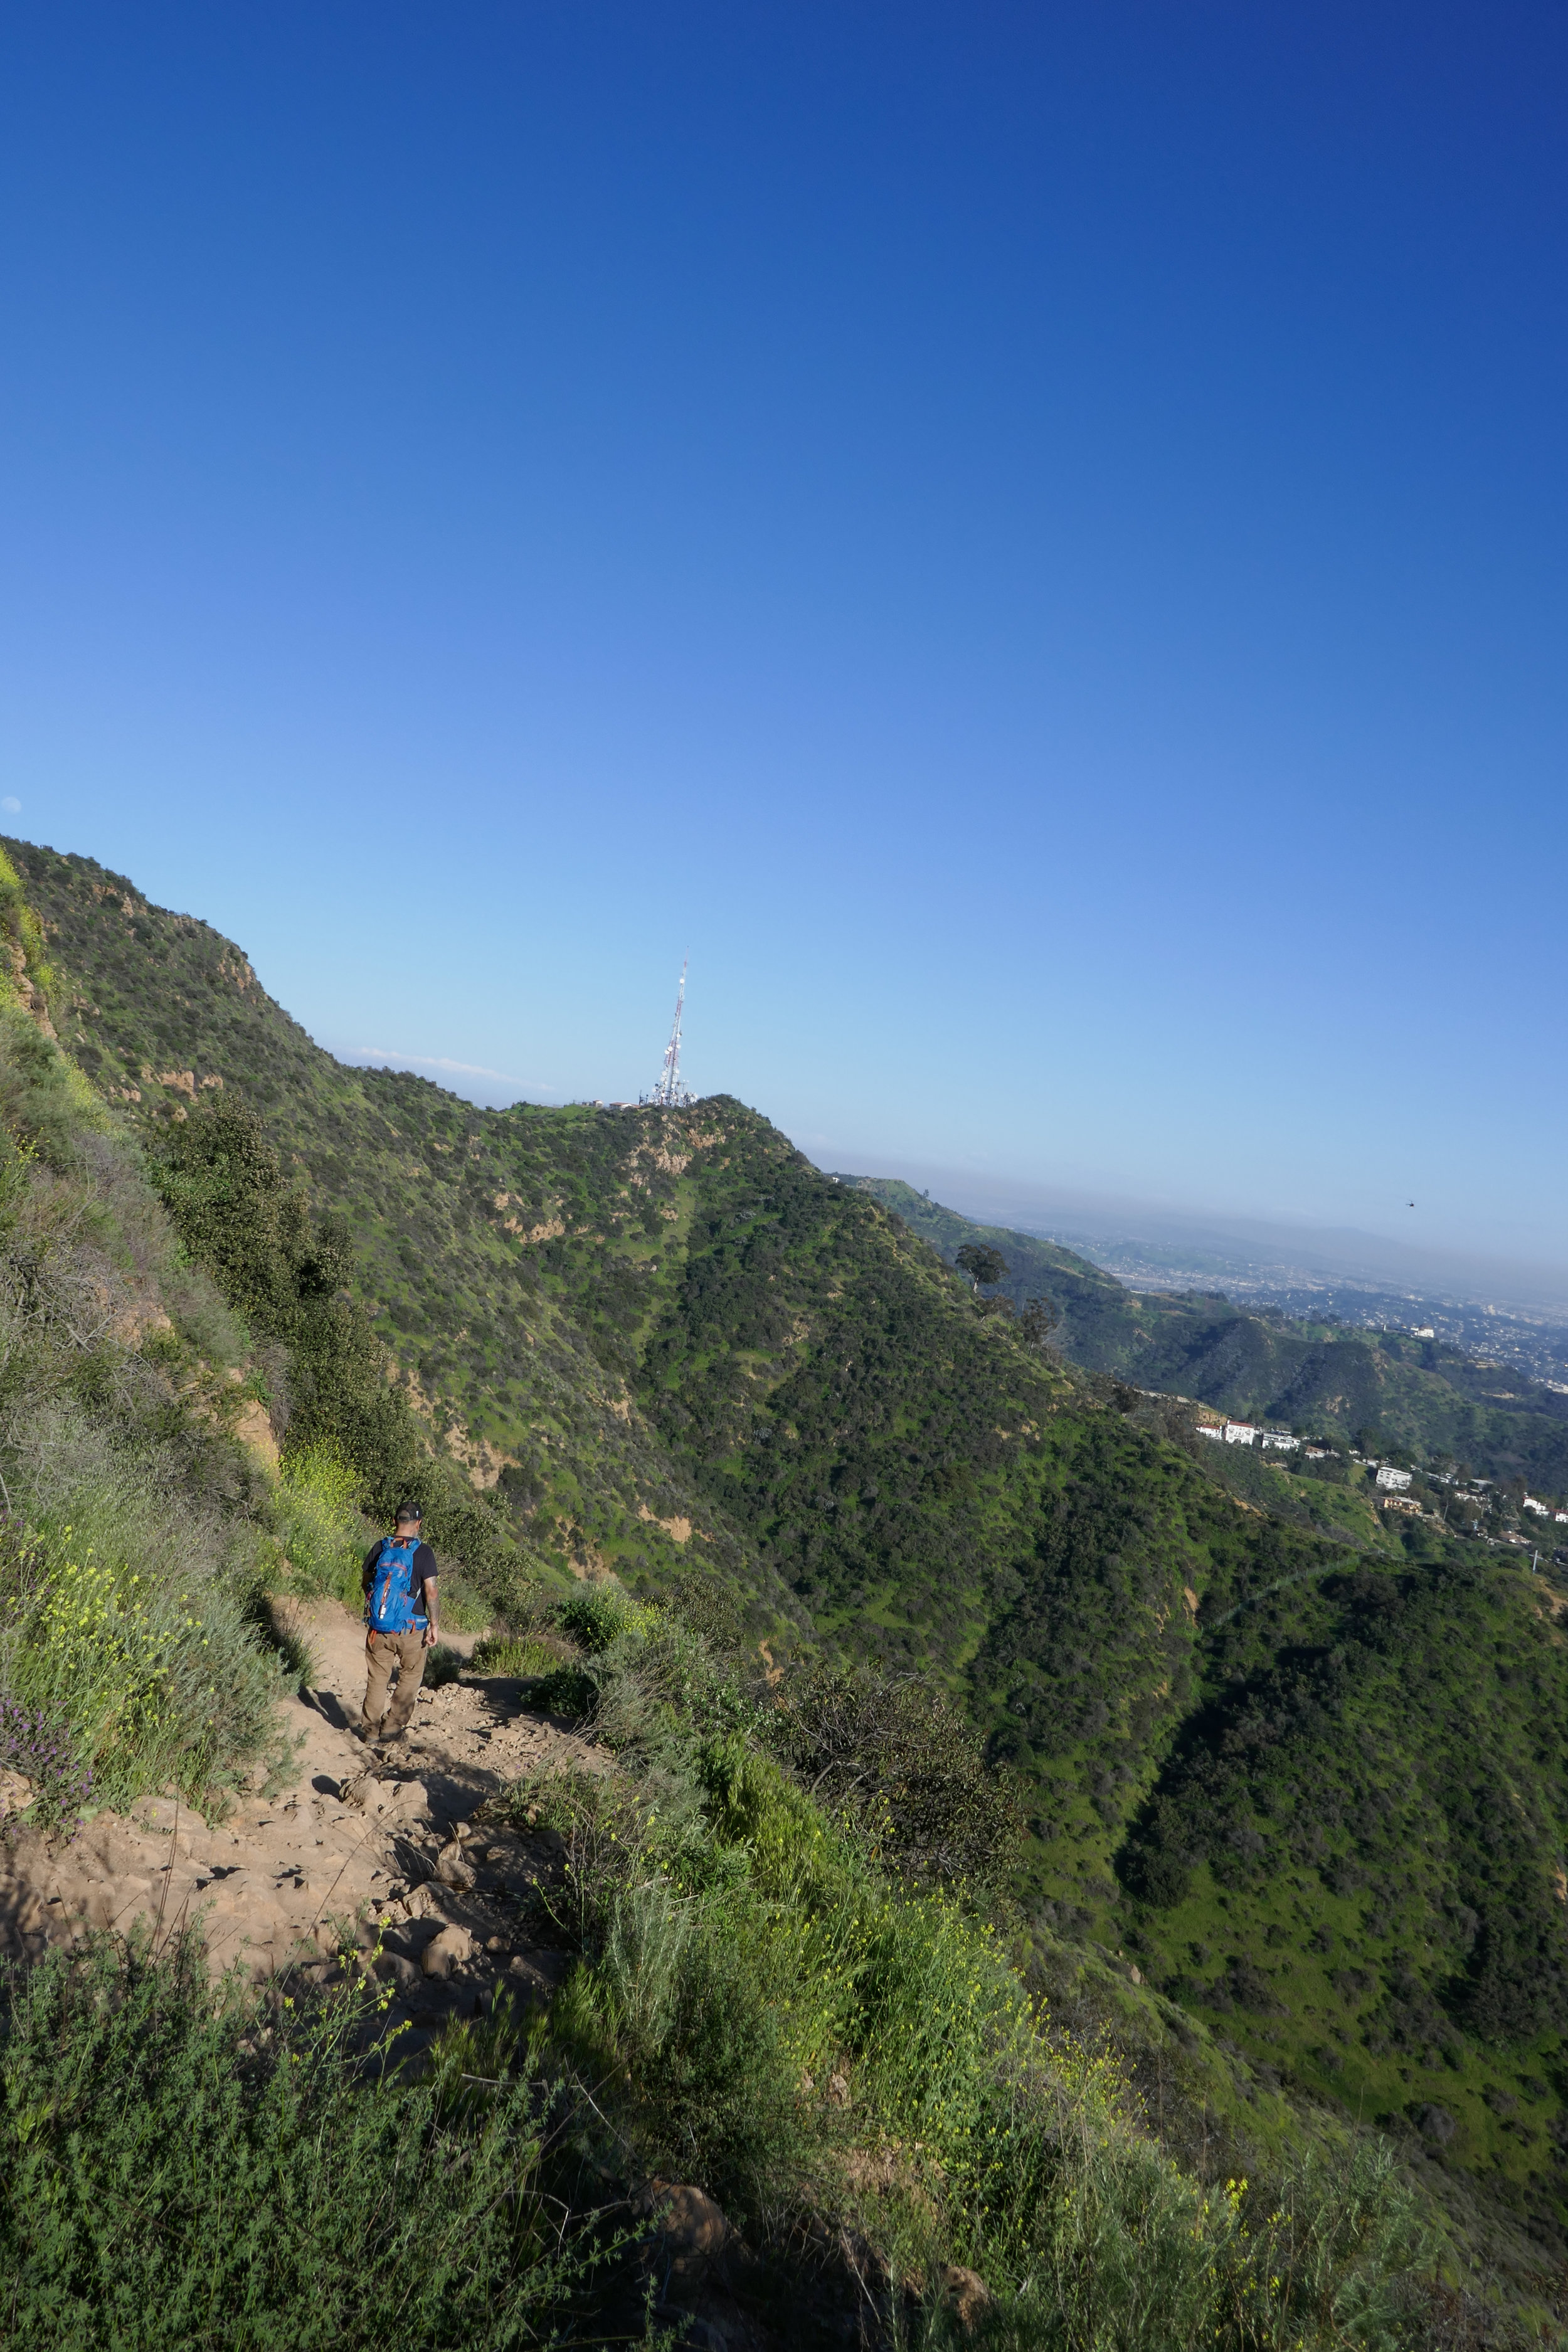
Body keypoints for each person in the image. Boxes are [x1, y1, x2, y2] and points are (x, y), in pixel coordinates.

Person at [355, 1502, 440, 1747]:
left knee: (378, 1678)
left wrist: (380, 1611)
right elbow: (431, 1592)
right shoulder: (424, 1553)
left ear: (395, 1522)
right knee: (410, 1678)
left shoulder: (380, 1548)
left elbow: (366, 1584)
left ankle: (370, 1731)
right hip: (412, 1630)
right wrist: (434, 1625)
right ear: (418, 1524)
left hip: (379, 1628)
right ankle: (391, 1729)